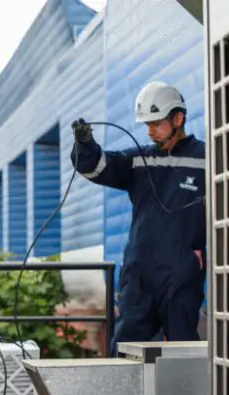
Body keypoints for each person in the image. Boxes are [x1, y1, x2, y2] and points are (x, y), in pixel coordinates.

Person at [70, 81, 207, 352]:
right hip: (140, 272)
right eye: (146, 124)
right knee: (125, 348)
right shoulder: (139, 161)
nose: (149, 131)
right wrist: (85, 142)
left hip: (181, 272)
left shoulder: (207, 158)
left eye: (155, 123)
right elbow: (96, 166)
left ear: (177, 118)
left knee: (183, 350)